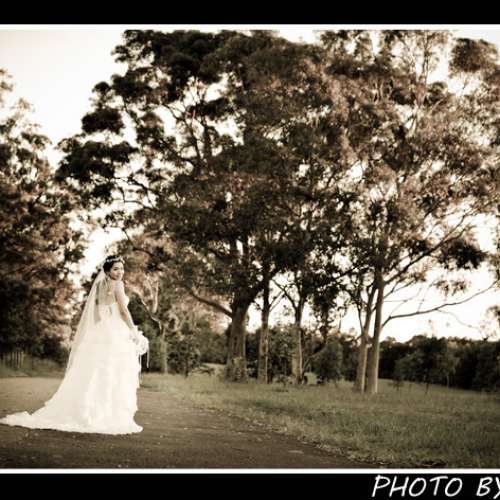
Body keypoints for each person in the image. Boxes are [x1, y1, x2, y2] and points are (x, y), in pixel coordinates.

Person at [0, 255, 149, 435]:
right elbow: (123, 311)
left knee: (96, 371)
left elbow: (96, 312)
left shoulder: (99, 286)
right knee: (111, 371)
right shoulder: (118, 285)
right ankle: (106, 414)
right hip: (114, 330)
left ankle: (88, 410)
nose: (120, 272)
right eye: (116, 269)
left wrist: (98, 330)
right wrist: (133, 330)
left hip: (101, 329)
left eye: (122, 269)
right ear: (108, 271)